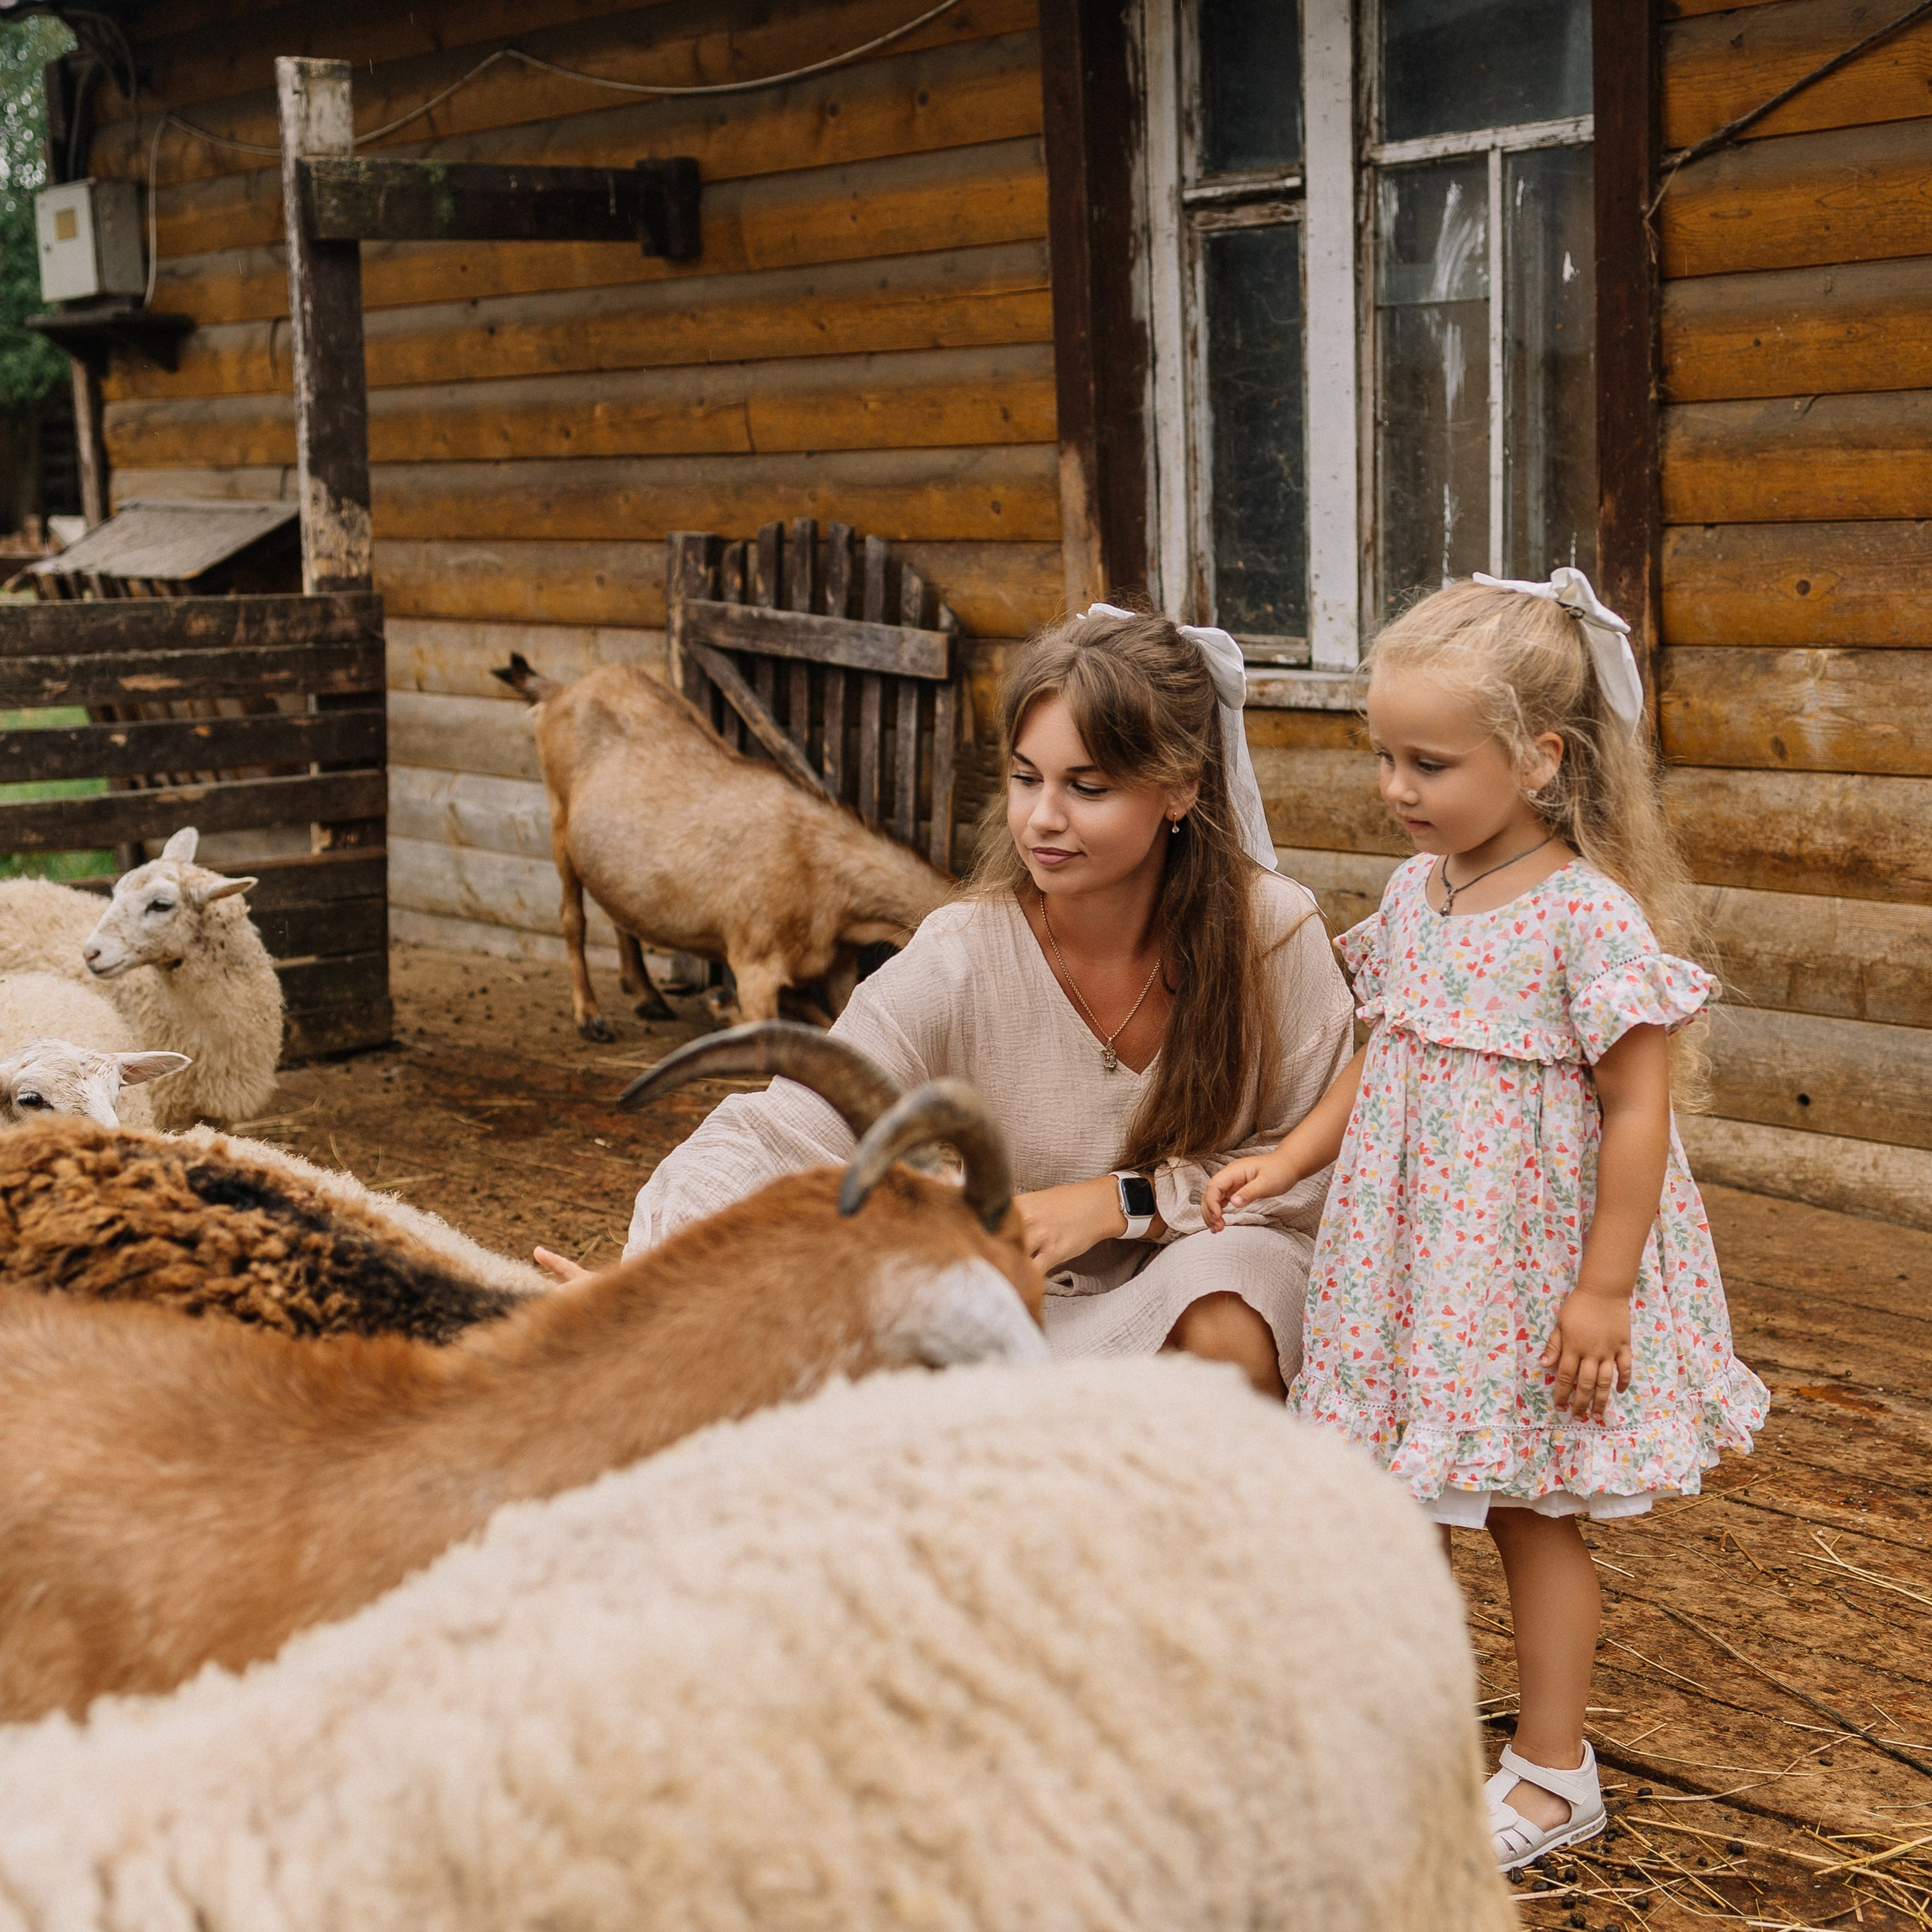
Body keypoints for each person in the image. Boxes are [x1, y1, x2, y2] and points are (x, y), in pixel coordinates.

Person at [1202, 568, 1768, 1871]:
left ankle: (1556, 1772)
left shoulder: (1586, 917)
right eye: (1385, 757)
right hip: (1409, 1266)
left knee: (1528, 1509)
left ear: (1540, 757)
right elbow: (1380, 1053)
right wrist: (1288, 1158)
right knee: (1397, 1497)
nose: (1396, 788)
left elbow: (1638, 1110)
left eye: (1430, 763)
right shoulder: (1420, 893)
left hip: (1523, 1271)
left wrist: (1604, 1289)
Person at [555, 604, 1356, 1394]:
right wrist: (652, 1287)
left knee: (1230, 1303)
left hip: (1193, 1273)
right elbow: (782, 1127)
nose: (1042, 819)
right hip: (1015, 1302)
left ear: (1178, 789)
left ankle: (1206, 1479)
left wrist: (1123, 1203)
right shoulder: (963, 953)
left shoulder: (1269, 933)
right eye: (1025, 778)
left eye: (1087, 787)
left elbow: (1314, 1168)